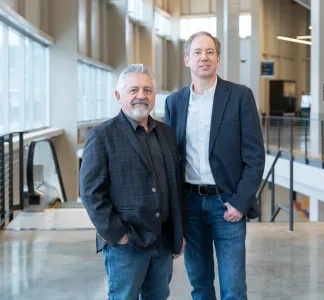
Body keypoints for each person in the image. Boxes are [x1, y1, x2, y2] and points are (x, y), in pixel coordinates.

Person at [164, 31, 265, 300]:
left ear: (218, 59)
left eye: (209, 52)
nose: (203, 58)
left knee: (233, 289)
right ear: (187, 59)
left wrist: (240, 202)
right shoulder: (174, 103)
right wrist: (175, 213)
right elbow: (170, 161)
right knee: (200, 286)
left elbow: (255, 156)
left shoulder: (240, 96)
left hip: (227, 205)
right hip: (190, 205)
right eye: (197, 52)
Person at [80, 64, 185, 300]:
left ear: (154, 96)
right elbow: (90, 193)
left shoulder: (166, 134)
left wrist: (178, 233)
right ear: (119, 96)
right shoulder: (102, 136)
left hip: (163, 241)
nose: (141, 96)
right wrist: (119, 235)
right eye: (133, 90)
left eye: (147, 90)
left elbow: (174, 186)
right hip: (127, 245)